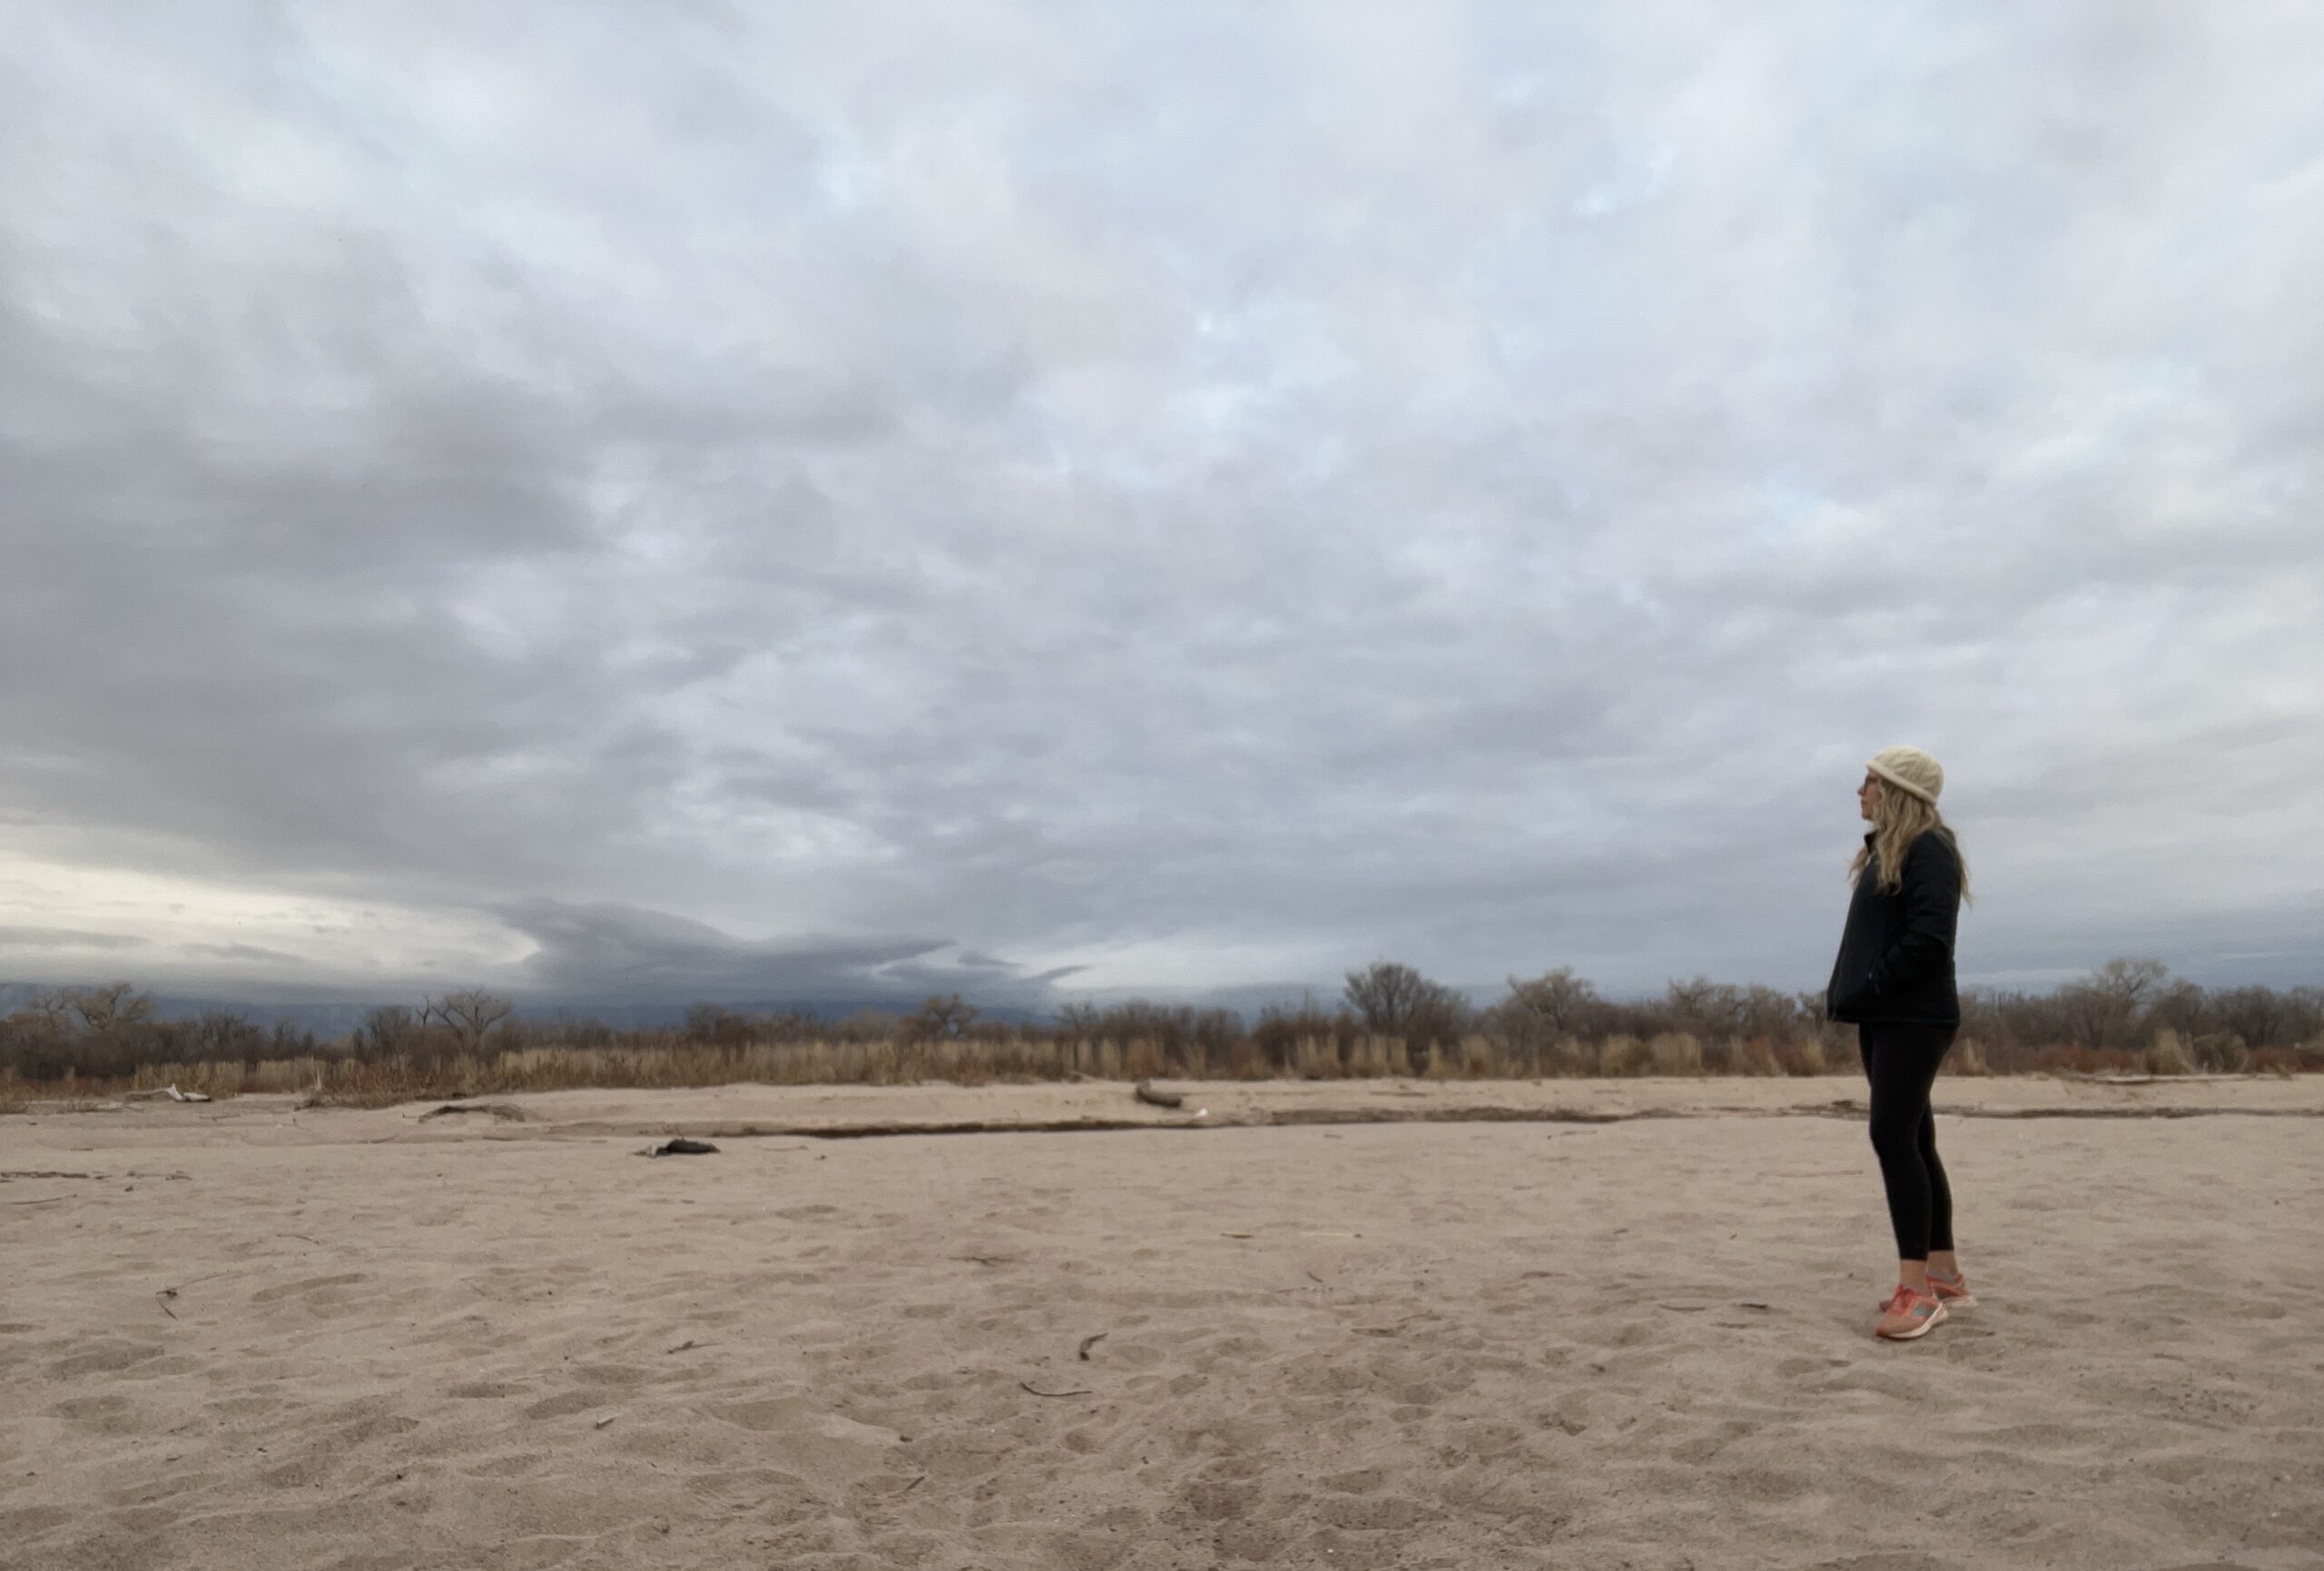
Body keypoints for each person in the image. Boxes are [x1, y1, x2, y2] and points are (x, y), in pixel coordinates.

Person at [1826, 746, 1971, 1341]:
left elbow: (1931, 938)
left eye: (1870, 782)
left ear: (1898, 792)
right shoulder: (1887, 851)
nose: (1860, 791)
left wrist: (1877, 980)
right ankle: (1944, 1275)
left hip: (1913, 1016)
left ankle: (1916, 1294)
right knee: (1915, 1135)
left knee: (1891, 1134)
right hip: (1887, 1015)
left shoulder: (1929, 848)